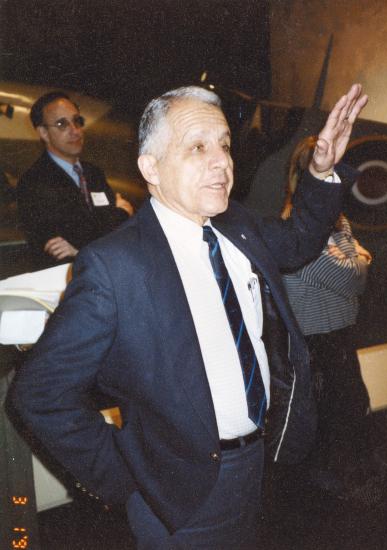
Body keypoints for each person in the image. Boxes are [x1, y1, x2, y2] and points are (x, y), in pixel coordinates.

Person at [9, 84, 367, 549]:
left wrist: (321, 172)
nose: (221, 162)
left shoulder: (236, 224)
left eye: (224, 145)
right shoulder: (116, 266)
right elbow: (39, 394)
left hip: (258, 466)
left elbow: (299, 242)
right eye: (198, 147)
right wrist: (127, 480)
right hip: (178, 494)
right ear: (150, 167)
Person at [281, 136, 373, 497]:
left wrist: (353, 260)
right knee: (329, 419)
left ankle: (347, 476)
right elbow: (351, 278)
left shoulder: (334, 220)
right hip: (318, 339)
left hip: (338, 334)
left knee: (350, 410)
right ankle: (329, 487)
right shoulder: (297, 224)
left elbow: (349, 270)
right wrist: (360, 260)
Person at [17, 91, 134, 268]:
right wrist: (121, 213)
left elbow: (110, 234)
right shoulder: (34, 182)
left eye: (77, 121)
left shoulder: (94, 173)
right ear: (43, 133)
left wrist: (79, 246)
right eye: (61, 124)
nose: (75, 131)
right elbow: (69, 237)